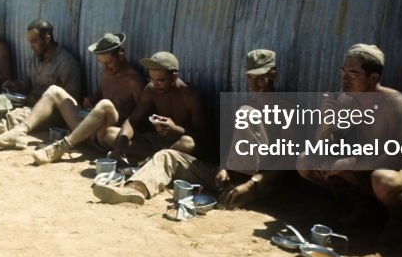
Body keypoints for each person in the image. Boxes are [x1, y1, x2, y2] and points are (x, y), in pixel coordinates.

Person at [92, 49, 281, 208]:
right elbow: (234, 147)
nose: (257, 85)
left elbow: (284, 162)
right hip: (229, 178)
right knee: (166, 156)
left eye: (262, 78)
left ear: (273, 75)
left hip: (260, 183)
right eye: (251, 78)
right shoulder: (247, 105)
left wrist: (250, 184)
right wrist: (224, 167)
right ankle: (133, 190)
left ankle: (240, 191)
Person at [295, 43, 402, 240]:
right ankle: (364, 207)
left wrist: (348, 163)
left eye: (353, 73)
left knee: (383, 179)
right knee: (306, 162)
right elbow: (325, 146)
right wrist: (326, 122)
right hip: (363, 167)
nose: (345, 78)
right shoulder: (345, 100)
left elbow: (399, 156)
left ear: (373, 78)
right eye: (343, 72)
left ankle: (400, 219)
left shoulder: (395, 103)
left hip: (398, 172)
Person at [0, 31, 144, 155]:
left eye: (109, 63)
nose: (106, 67)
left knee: (106, 113)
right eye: (102, 64)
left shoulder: (134, 81)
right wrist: (91, 98)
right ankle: (19, 131)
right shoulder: (106, 73)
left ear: (121, 56)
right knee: (54, 91)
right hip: (88, 126)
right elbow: (102, 93)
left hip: (106, 130)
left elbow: (140, 119)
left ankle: (63, 146)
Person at [86, 51, 208, 171]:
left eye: (161, 80)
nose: (156, 84)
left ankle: (149, 163)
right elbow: (132, 120)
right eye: (152, 79)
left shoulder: (190, 96)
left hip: (177, 146)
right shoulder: (151, 89)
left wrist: (175, 129)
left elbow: (202, 136)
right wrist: (119, 149)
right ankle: (150, 162)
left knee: (188, 143)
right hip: (154, 143)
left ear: (174, 76)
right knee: (109, 134)